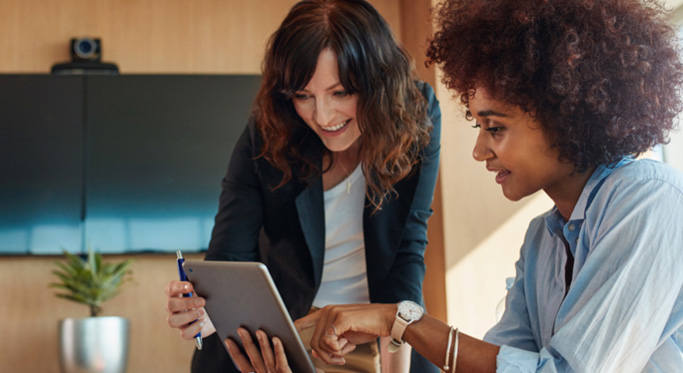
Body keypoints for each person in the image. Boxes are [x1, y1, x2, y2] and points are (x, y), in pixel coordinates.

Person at [228, 0, 683, 371]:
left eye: (495, 128)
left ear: (563, 117)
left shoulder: (649, 200)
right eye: (479, 127)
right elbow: (503, 363)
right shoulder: (541, 242)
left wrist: (396, 318)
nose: (479, 151)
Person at [164, 0, 442, 372]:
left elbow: (407, 251)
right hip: (278, 338)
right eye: (303, 95)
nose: (323, 117)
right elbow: (230, 257)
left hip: (376, 332)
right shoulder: (269, 129)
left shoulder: (415, 114)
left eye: (341, 92)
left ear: (378, 83)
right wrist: (204, 308)